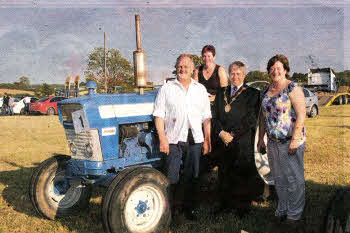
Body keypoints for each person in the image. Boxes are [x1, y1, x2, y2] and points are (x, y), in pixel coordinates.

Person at [153, 54, 212, 220]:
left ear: (192, 69)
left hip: (195, 139)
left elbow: (206, 117)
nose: (182, 69)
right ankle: (171, 211)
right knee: (171, 177)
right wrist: (163, 138)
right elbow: (158, 115)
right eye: (180, 66)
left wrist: (207, 140)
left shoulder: (200, 89)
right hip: (173, 138)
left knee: (192, 175)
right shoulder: (167, 88)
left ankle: (190, 209)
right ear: (176, 68)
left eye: (186, 66)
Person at [257, 54, 306, 222]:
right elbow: (262, 117)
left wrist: (295, 139)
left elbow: (301, 114)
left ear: (285, 70)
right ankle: (283, 208)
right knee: (278, 178)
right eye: (272, 69)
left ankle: (295, 214)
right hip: (272, 143)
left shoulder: (292, 88)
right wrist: (260, 139)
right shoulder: (267, 91)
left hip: (290, 142)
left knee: (294, 178)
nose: (275, 71)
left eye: (278, 68)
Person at [212, 61, 264, 217]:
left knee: (242, 174)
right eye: (232, 73)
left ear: (244, 75)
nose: (235, 76)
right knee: (224, 173)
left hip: (242, 141)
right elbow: (214, 116)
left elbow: (251, 119)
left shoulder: (253, 93)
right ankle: (225, 205)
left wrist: (232, 134)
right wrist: (221, 133)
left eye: (238, 73)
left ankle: (242, 208)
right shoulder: (221, 92)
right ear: (229, 74)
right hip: (223, 140)